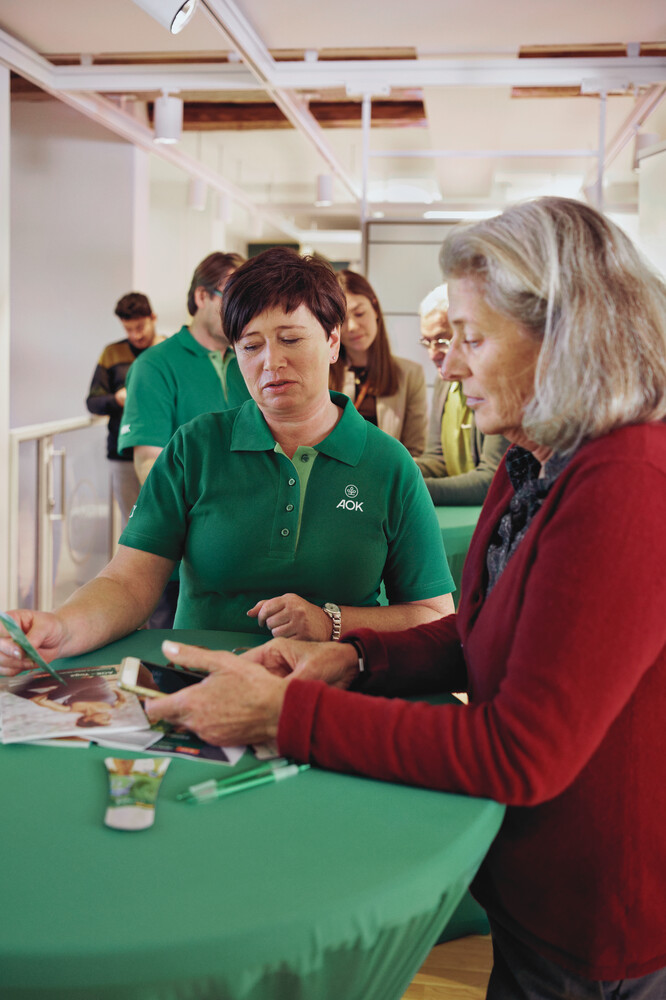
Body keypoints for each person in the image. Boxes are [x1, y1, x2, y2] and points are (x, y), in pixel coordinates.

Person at [123, 199, 664, 998]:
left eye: (472, 341)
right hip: (534, 890)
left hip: (598, 914)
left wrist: (285, 715)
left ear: (566, 335)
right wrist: (348, 657)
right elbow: (478, 634)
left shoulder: (626, 485)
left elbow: (520, 753)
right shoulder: (531, 464)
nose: (447, 366)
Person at [0, 248, 454, 664]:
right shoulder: (195, 447)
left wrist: (333, 622)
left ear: (333, 341)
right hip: (198, 685)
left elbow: (433, 615)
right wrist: (62, 627)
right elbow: (128, 583)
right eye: (251, 346)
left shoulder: (389, 464)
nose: (270, 363)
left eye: (291, 339)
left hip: (330, 693)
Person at [118, 251, 250, 627]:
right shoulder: (155, 365)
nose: (241, 308)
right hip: (178, 562)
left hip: (248, 557)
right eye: (231, 295)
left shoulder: (252, 359)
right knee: (171, 669)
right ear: (201, 297)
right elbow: (148, 462)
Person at [415, 284, 509, 505]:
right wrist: (394, 469)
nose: (432, 354)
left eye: (441, 341)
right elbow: (438, 459)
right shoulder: (443, 381)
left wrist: (406, 487)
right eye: (426, 342)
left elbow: (491, 480)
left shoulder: (497, 383)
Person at [85, 292, 163, 526]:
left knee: (166, 522)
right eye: (129, 329)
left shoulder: (169, 351)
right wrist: (117, 399)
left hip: (164, 451)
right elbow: (92, 402)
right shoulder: (112, 353)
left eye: (140, 327)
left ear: (153, 318)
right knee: (131, 524)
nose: (135, 335)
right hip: (123, 454)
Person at [330, 270, 427, 456]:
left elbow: (415, 451)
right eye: (341, 320)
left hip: (388, 480)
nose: (352, 327)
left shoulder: (409, 374)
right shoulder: (322, 373)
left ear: (375, 308)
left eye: (359, 313)